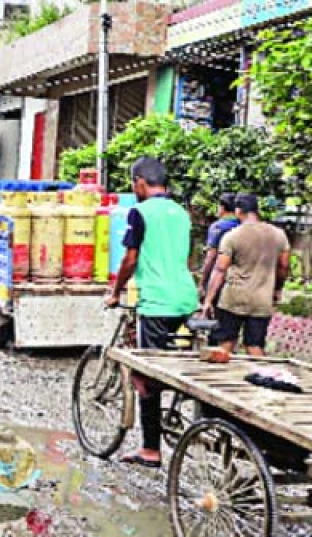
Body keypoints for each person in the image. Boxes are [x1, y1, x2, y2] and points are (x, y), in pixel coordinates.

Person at [106, 157, 199, 469]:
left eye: (134, 185)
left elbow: (130, 259)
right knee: (178, 363)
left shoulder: (140, 212)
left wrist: (115, 291)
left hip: (156, 302)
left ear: (140, 183)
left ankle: (150, 449)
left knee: (146, 377)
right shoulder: (182, 213)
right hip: (186, 299)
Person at [202, 193, 290, 357]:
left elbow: (220, 270)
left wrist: (208, 299)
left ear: (238, 210)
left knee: (225, 344)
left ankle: (220, 380)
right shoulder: (279, 235)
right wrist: (277, 289)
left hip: (233, 299)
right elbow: (284, 266)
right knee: (255, 346)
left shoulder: (233, 236)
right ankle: (262, 378)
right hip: (262, 300)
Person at [200, 193, 239, 300]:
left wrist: (202, 283)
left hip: (219, 278)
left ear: (222, 207)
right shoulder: (242, 226)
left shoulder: (218, 227)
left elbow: (211, 257)